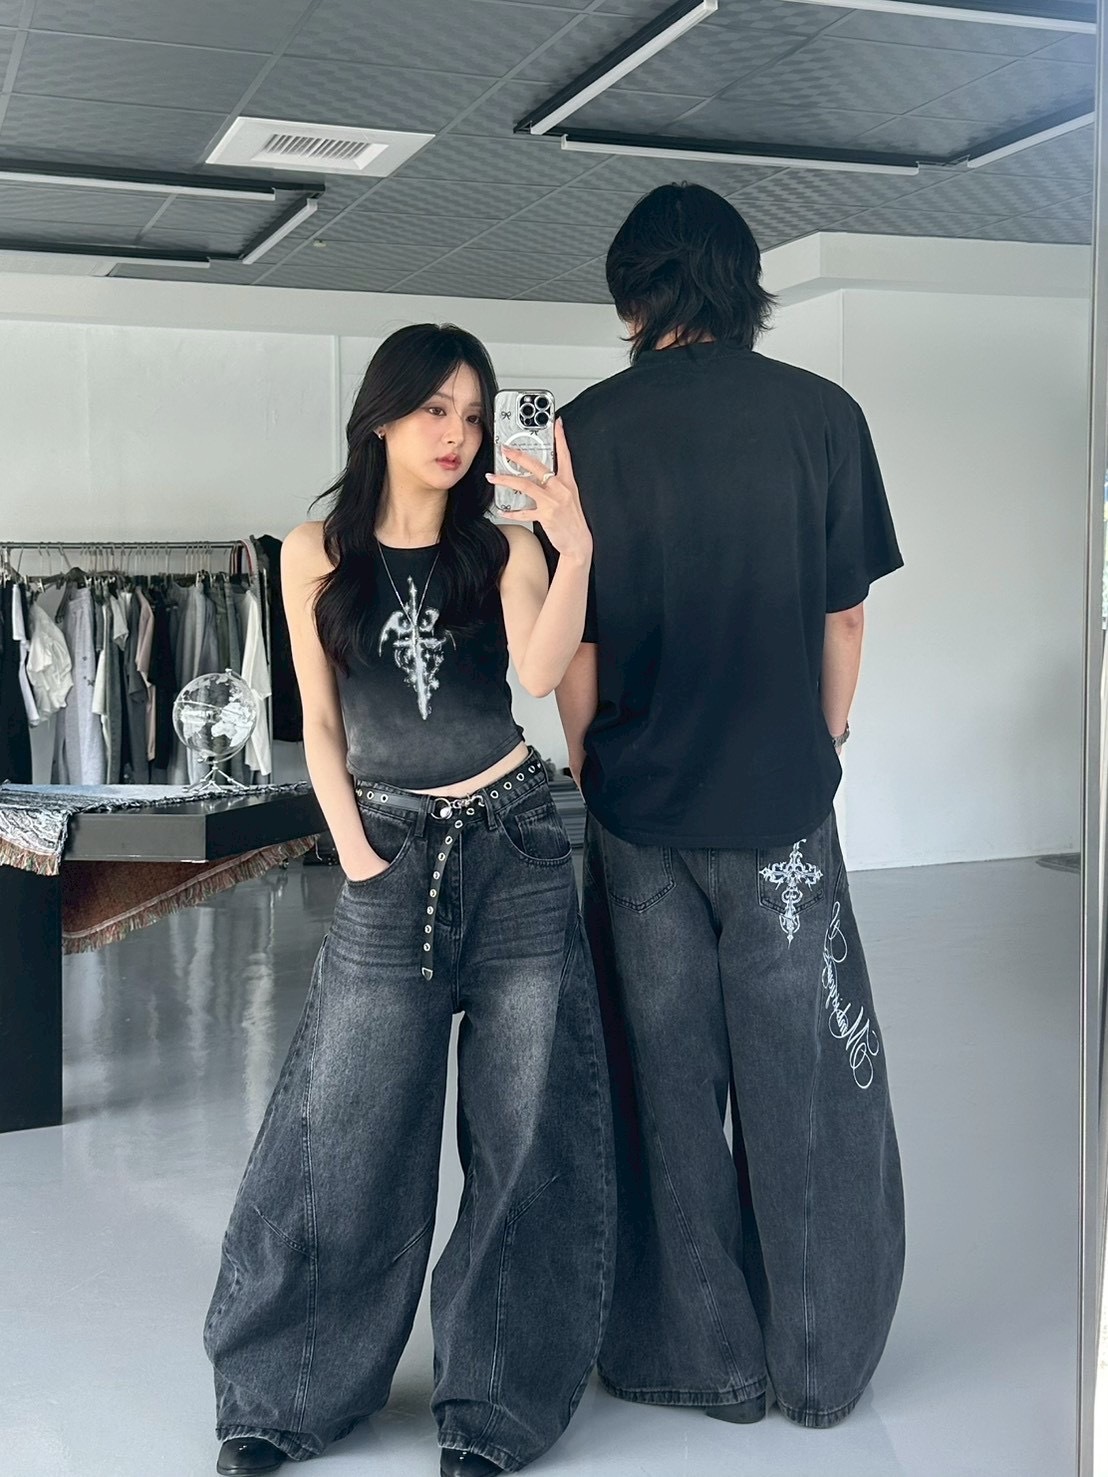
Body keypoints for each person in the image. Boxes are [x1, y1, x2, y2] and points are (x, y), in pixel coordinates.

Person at [204, 323, 613, 1477]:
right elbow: (320, 722)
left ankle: (494, 1410)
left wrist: (573, 548)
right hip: (388, 849)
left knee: (525, 1131)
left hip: (517, 841)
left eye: (473, 415)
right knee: (343, 1129)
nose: (457, 433)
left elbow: (540, 672)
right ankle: (283, 1396)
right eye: (436, 408)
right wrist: (356, 853)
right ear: (382, 415)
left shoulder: (501, 545)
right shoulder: (313, 552)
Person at [545, 183, 906, 1432]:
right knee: (808, 1086)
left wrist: (589, 762)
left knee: (663, 1084)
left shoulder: (586, 430)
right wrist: (826, 734)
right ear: (742, 283)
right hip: (781, 806)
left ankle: (693, 1357)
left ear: (634, 293)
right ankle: (817, 1366)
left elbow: (577, 634)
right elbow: (844, 612)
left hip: (638, 811)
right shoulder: (823, 415)